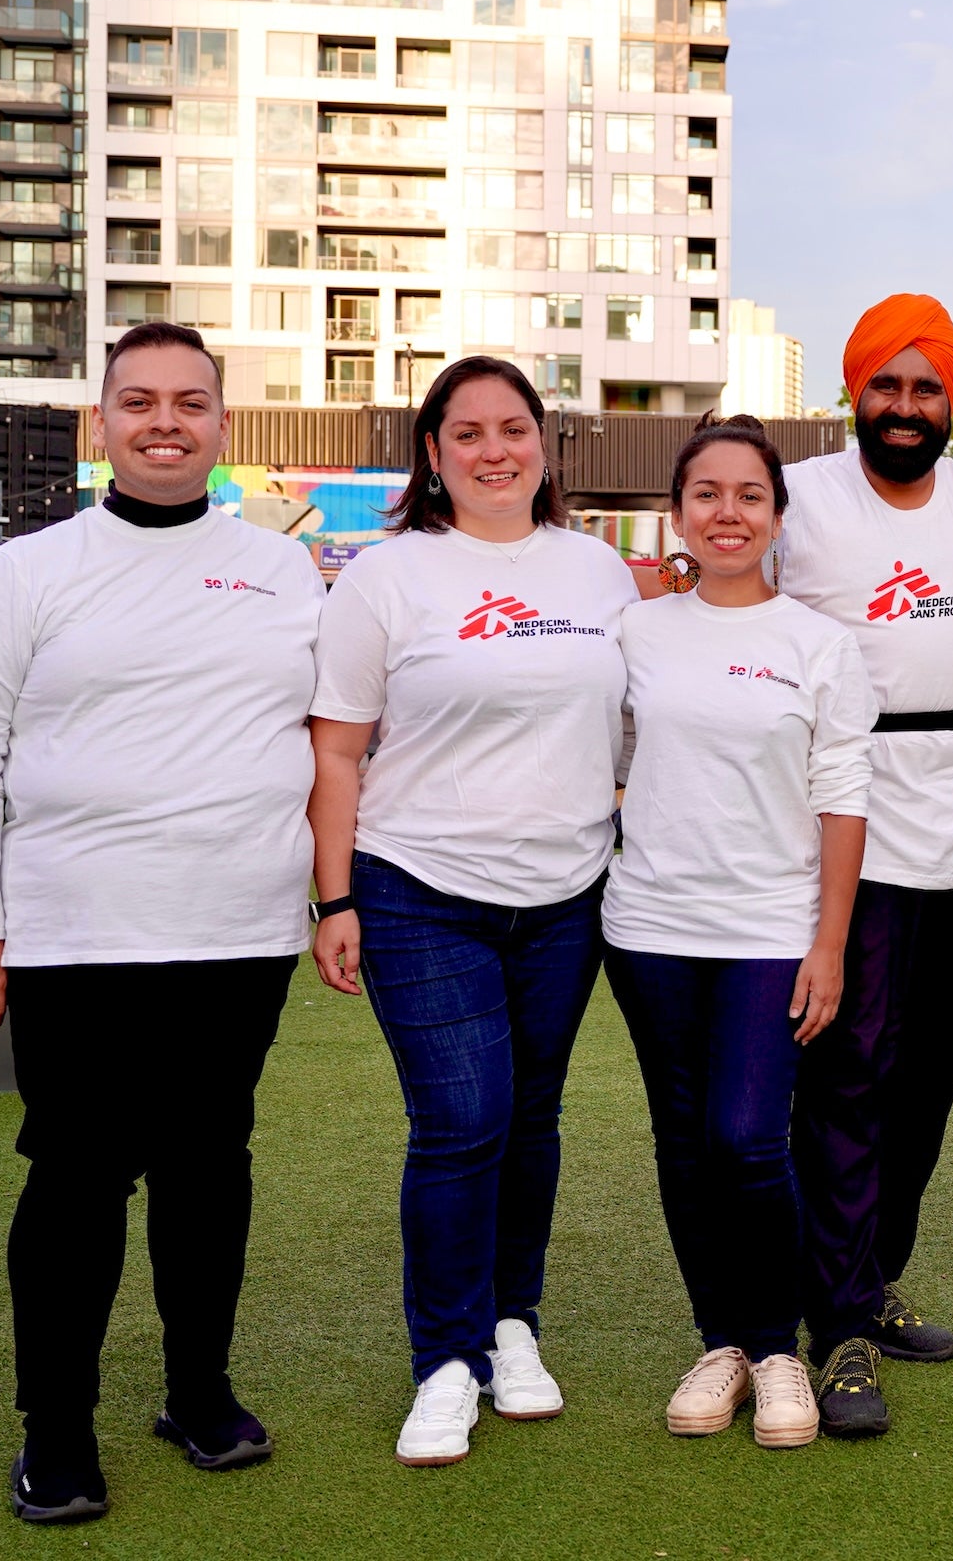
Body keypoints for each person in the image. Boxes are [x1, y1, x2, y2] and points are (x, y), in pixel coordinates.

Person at [0, 322, 323, 1523]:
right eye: (139, 401)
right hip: (73, 934)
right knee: (79, 1181)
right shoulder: (33, 571)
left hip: (239, 928)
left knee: (211, 1171)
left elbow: (332, 732)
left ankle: (197, 1392)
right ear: (102, 425)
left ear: (220, 426)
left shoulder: (283, 570)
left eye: (189, 402)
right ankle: (56, 1429)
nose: (165, 421)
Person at [306, 355, 639, 1467]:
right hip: (419, 890)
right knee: (461, 1121)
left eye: (514, 428)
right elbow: (339, 750)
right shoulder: (388, 578)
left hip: (565, 896)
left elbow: (632, 729)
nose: (495, 450)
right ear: (434, 455)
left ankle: (512, 1326)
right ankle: (446, 1360)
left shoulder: (598, 573)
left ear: (544, 444)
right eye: (468, 433)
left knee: (531, 1120)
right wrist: (336, 893)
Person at [607, 415, 875, 1450]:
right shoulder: (638, 634)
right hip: (651, 927)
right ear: (679, 513)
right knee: (684, 1144)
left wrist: (829, 941)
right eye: (708, 494)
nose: (728, 513)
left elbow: (842, 793)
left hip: (771, 927)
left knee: (748, 1138)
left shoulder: (816, 644)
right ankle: (719, 1341)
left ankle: (777, 1350)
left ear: (776, 514)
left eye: (749, 496)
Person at [771, 292, 953, 1420]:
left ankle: (874, 1275)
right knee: (848, 1071)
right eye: (887, 385)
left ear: (950, 400)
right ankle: (842, 1324)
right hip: (840, 810)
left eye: (927, 388)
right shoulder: (803, 499)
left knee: (927, 1075)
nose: (906, 407)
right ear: (852, 394)